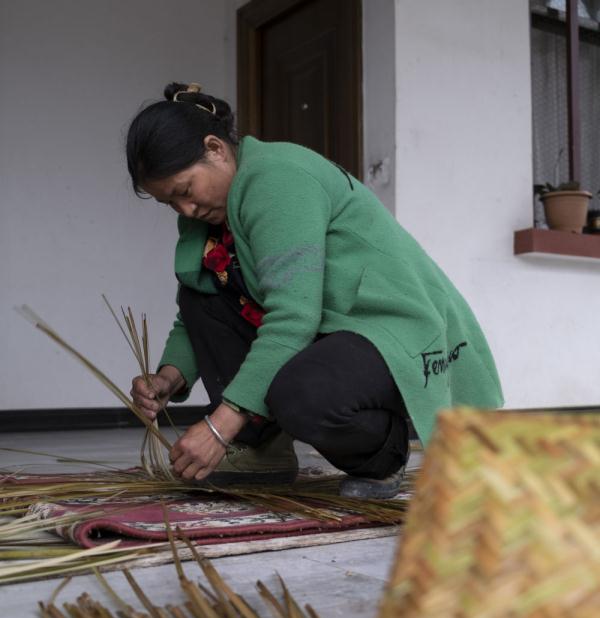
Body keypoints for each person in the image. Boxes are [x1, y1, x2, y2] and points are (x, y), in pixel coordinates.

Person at [128, 82, 503, 498]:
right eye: (170, 204)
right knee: (200, 292)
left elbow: (293, 317)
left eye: (185, 191)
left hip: (388, 326)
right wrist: (168, 377)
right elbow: (200, 306)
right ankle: (262, 448)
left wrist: (220, 425)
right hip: (330, 331)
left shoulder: (276, 178)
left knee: (302, 394)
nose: (186, 210)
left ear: (215, 148)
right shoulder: (204, 219)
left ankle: (381, 453)